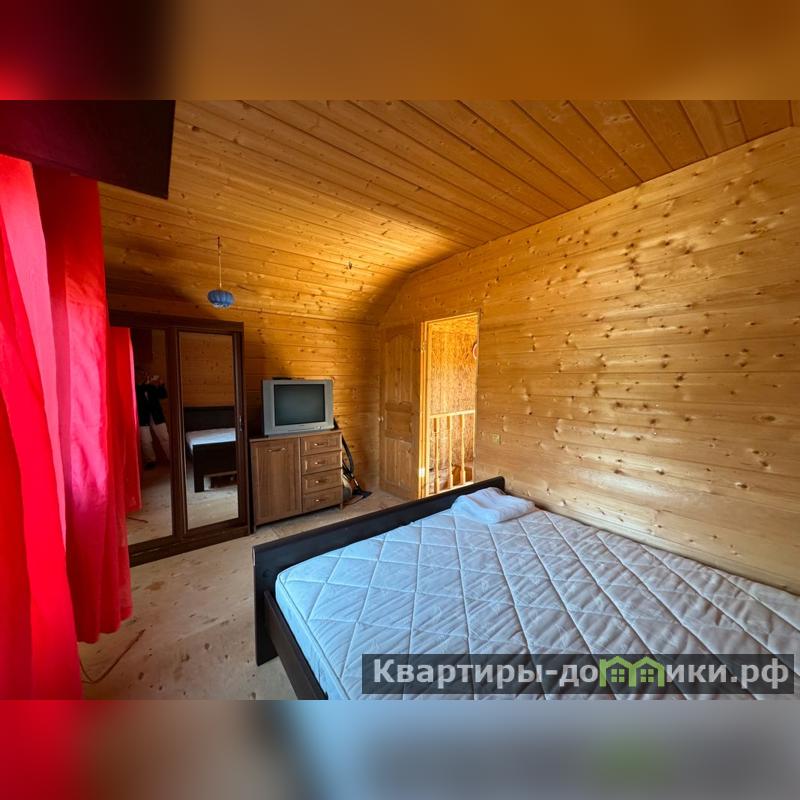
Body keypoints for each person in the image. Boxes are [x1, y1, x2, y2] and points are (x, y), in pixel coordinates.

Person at [135, 368, 170, 469]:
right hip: (142, 417)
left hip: (157, 415)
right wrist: (143, 384)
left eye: (144, 373)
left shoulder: (151, 386)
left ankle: (172, 458)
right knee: (146, 441)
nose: (143, 375)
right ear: (136, 375)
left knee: (164, 437)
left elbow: (163, 395)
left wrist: (161, 384)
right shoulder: (134, 388)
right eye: (140, 373)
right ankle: (150, 461)